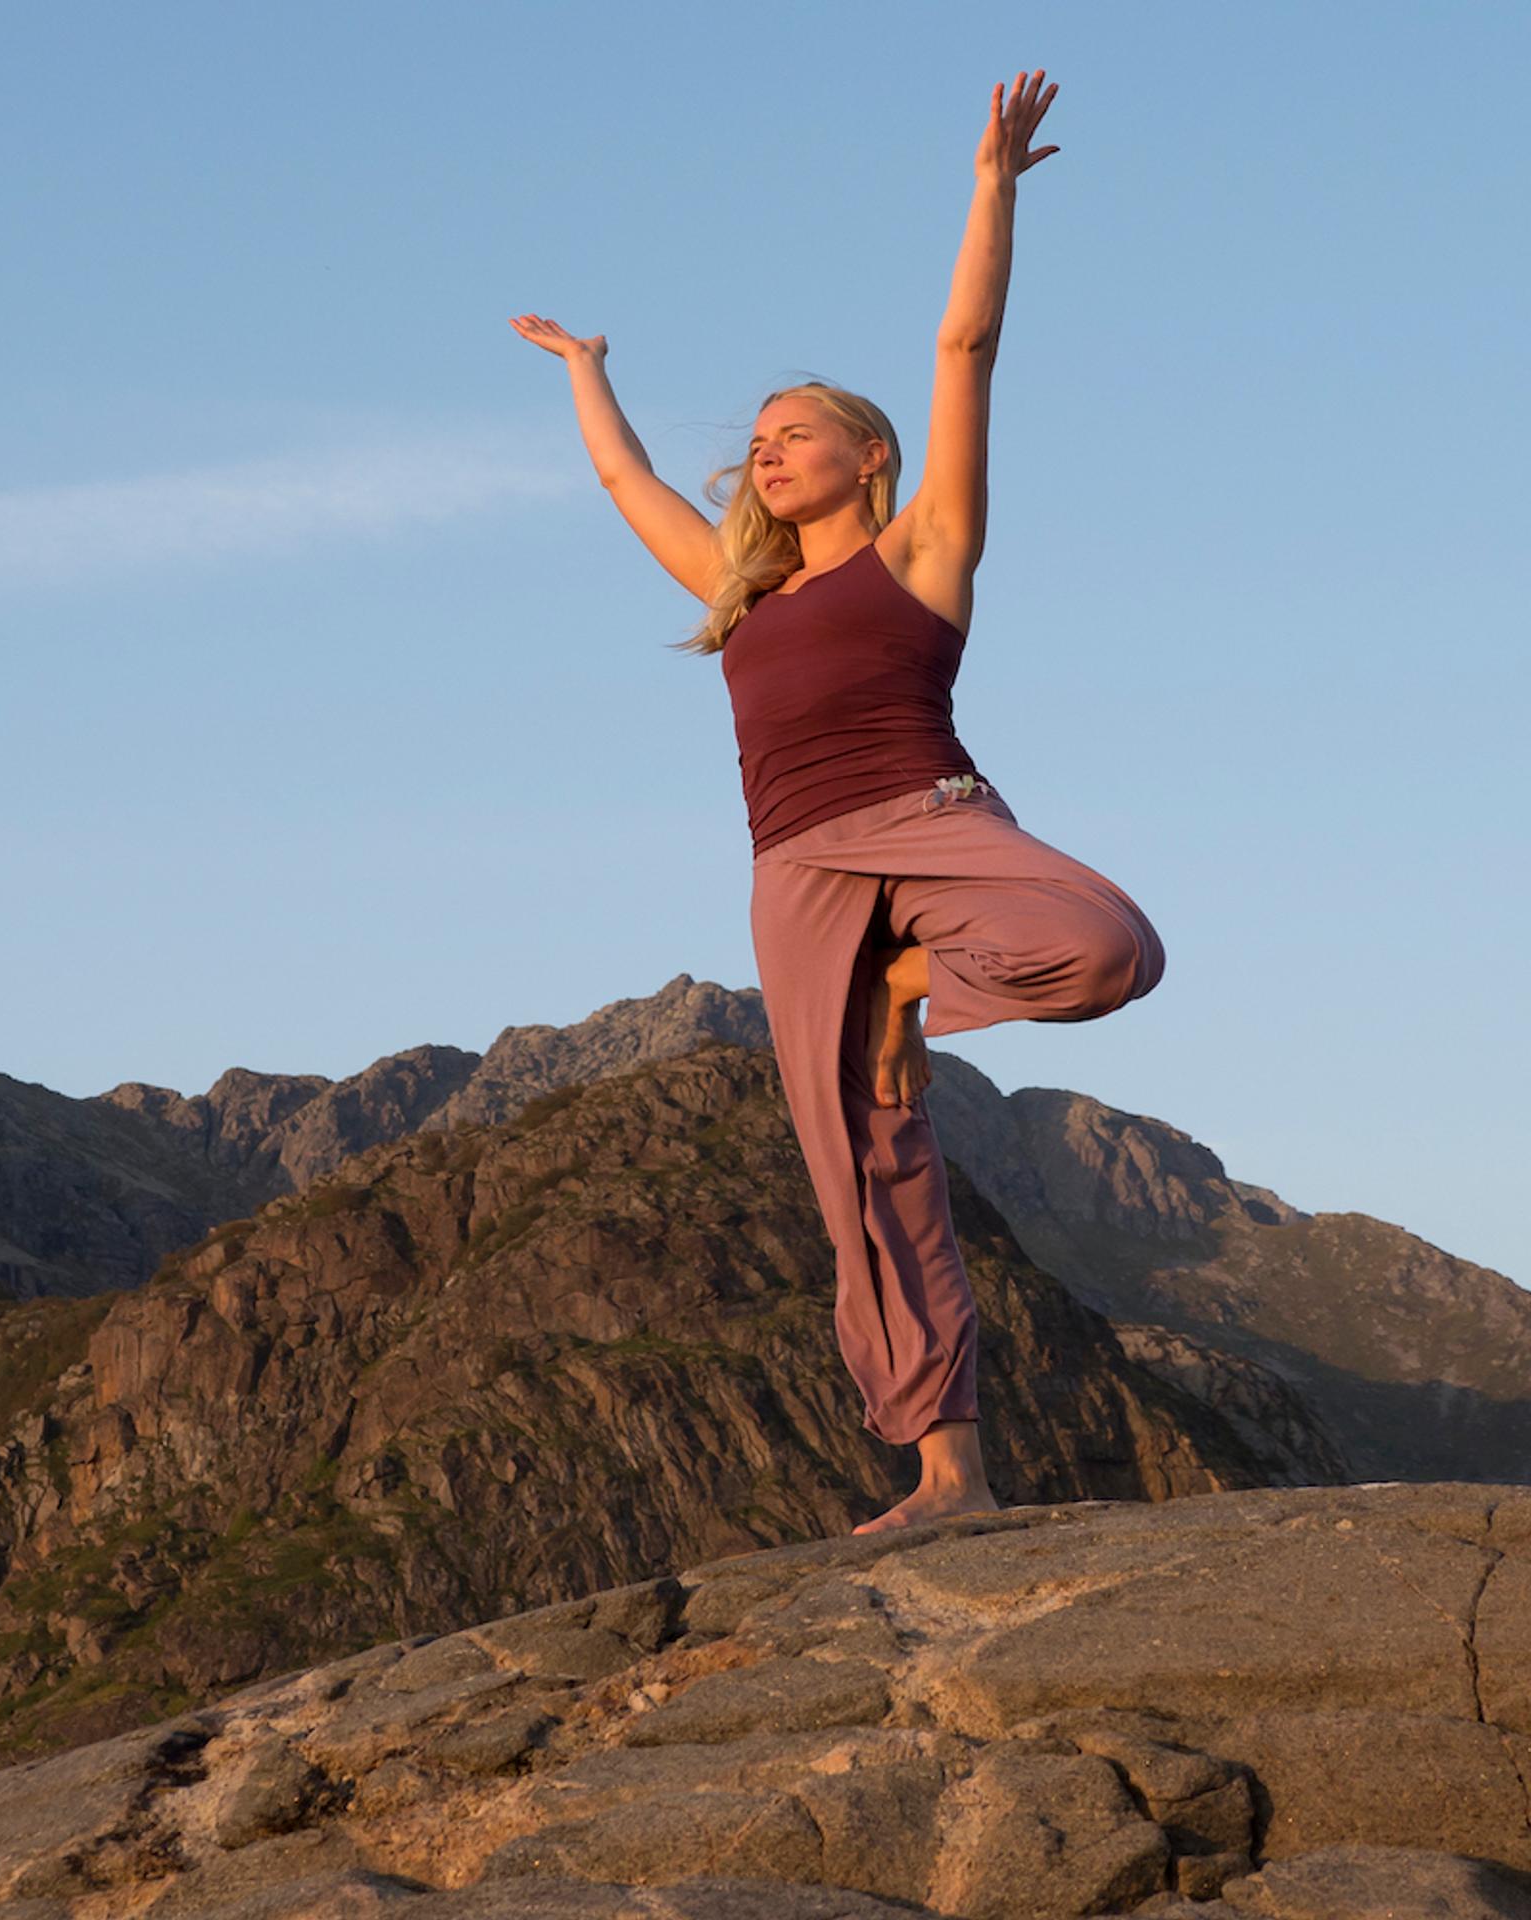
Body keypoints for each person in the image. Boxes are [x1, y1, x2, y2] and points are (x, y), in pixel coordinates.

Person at [510, 71, 1165, 1534]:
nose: (764, 451)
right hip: (795, 876)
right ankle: (949, 1474)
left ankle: (909, 984)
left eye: (791, 431)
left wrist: (993, 184)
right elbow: (624, 483)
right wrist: (586, 365)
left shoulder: (925, 550)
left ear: (866, 454)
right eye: (753, 439)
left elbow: (967, 344)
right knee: (870, 1175)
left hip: (930, 819)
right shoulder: (739, 593)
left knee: (1109, 941)